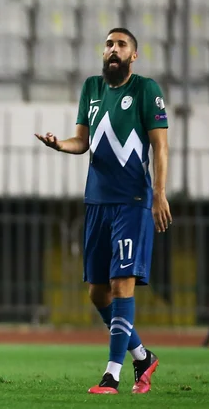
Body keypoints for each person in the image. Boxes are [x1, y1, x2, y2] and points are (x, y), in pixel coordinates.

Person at [35, 28, 168, 395]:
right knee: (97, 292)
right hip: (96, 202)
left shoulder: (146, 90)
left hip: (132, 202)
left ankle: (111, 374)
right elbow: (83, 140)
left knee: (121, 283)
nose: (113, 49)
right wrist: (60, 144)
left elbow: (160, 147)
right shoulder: (91, 89)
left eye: (121, 45)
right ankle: (142, 356)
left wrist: (159, 193)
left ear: (133, 55)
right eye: (109, 44)